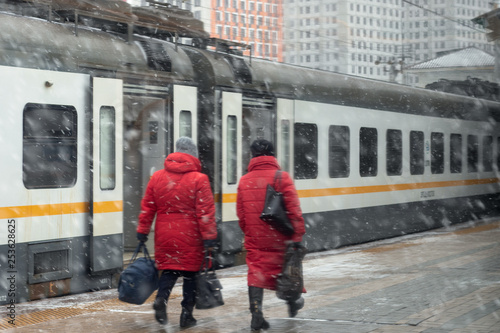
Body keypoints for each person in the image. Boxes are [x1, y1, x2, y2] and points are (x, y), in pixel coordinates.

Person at [136, 137, 217, 328]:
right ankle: (186, 315)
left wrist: (142, 231)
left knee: (170, 270)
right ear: (194, 155)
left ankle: (161, 300)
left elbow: (147, 207)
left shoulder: (157, 177)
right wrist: (209, 237)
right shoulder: (200, 179)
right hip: (191, 235)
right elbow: (205, 212)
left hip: (165, 234)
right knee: (191, 275)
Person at [237, 139, 306, 331]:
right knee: (287, 271)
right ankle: (292, 303)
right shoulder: (282, 177)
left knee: (256, 274)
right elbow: (294, 210)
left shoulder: (244, 180)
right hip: (280, 237)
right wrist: (298, 235)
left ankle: (256, 314)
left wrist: (250, 231)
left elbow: (241, 215)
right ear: (272, 154)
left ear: (252, 156)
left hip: (256, 238)